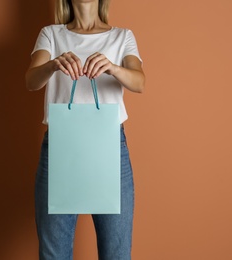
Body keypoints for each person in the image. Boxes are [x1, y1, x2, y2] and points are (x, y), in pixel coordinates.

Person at [25, 0, 145, 259]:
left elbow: (140, 82)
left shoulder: (122, 36)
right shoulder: (51, 34)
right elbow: (31, 81)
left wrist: (112, 68)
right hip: (60, 148)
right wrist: (54, 64)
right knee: (53, 254)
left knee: (117, 252)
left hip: (110, 149)